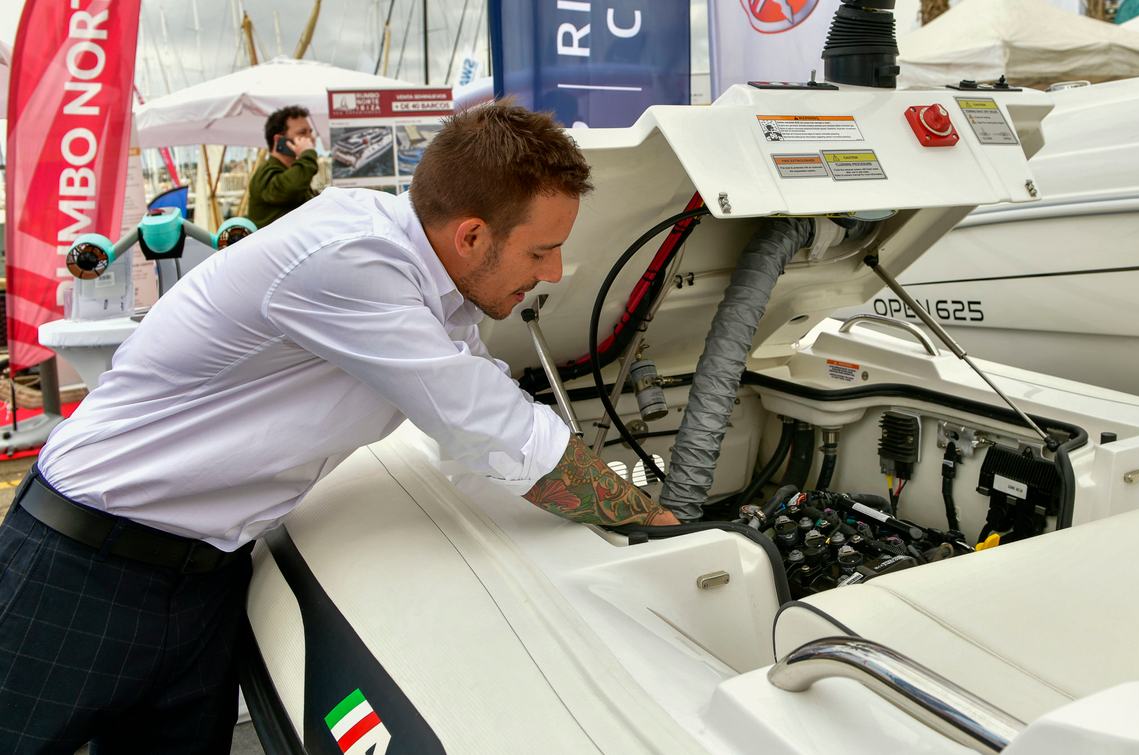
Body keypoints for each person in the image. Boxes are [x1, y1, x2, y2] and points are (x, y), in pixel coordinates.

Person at [0, 100, 680, 753]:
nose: (555, 273)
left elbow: (484, 410)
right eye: (541, 252)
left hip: (206, 577)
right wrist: (670, 528)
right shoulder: (353, 259)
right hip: (83, 561)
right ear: (471, 235)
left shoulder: (438, 290)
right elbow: (498, 430)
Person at [246, 105, 319, 228]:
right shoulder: (266, 173)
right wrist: (307, 154)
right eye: (302, 133)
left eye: (310, 132)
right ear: (279, 140)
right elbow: (290, 188)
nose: (310, 138)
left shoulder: (293, 171)